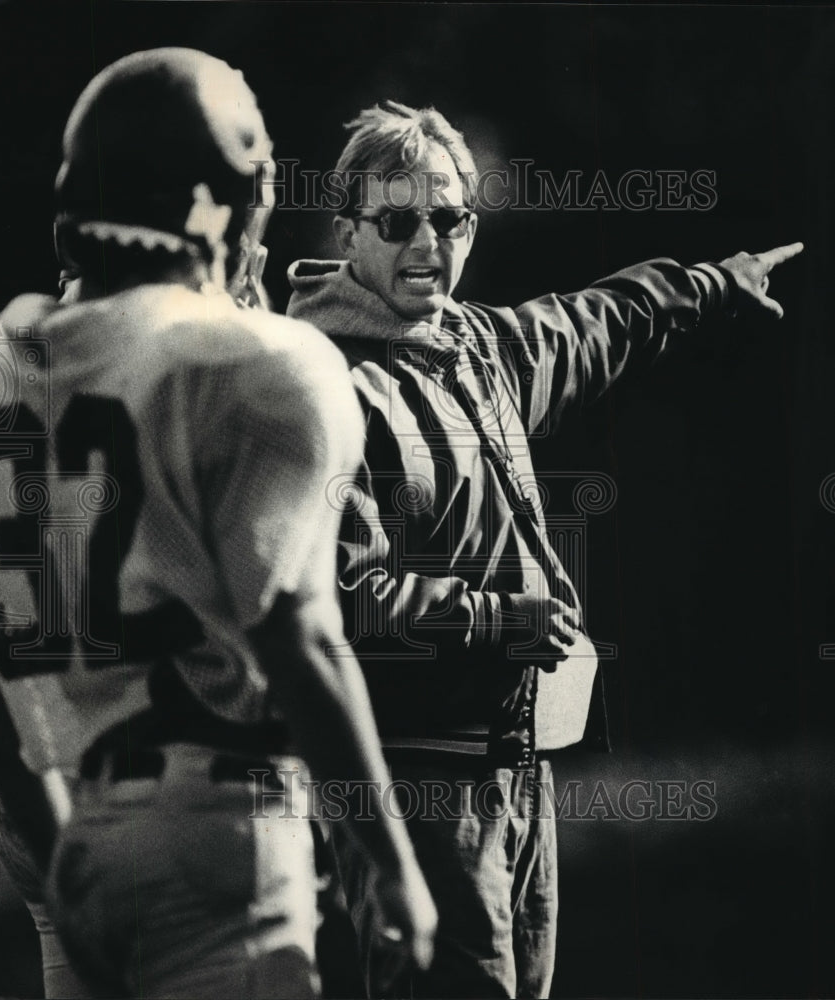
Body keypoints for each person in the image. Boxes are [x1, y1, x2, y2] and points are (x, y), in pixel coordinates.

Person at [286, 99, 802, 998]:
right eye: (397, 220)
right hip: (414, 786)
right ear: (346, 232)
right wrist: (498, 620)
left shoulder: (477, 344)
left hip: (520, 767)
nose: (425, 243)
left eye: (447, 219)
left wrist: (716, 282)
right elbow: (339, 595)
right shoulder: (316, 382)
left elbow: (590, 322)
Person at [0, 54, 436, 999]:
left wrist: (57, 842)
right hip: (217, 819)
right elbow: (297, 634)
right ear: (218, 201)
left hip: (61, 818)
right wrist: (386, 859)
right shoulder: (266, 364)